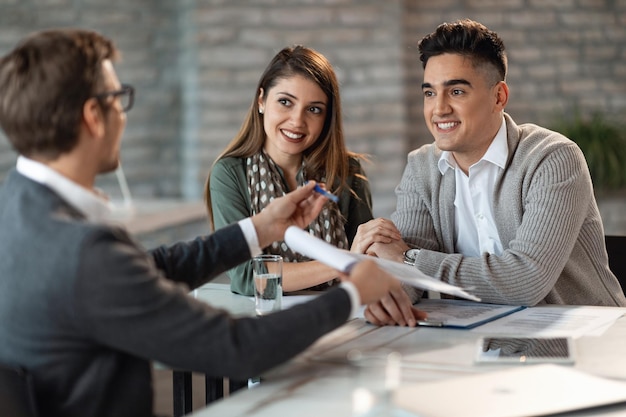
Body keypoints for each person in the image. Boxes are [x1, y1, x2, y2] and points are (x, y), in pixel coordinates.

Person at [0, 29, 423, 417]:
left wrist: (260, 229)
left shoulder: (18, 204)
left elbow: (148, 267)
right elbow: (235, 349)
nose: (122, 115)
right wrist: (350, 292)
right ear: (94, 115)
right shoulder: (85, 252)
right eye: (119, 98)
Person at [353, 19, 626, 326]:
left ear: (499, 97)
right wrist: (383, 286)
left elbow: (526, 280)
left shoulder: (552, 158)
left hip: (586, 336)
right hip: (477, 334)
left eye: (456, 91)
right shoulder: (422, 167)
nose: (439, 109)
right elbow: (409, 277)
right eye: (429, 93)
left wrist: (407, 258)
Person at [206, 45, 374, 296]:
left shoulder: (346, 170)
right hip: (266, 320)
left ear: (327, 118)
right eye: (285, 102)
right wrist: (344, 261)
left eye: (314, 109)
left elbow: (367, 265)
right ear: (261, 100)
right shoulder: (230, 173)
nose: (297, 121)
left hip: (340, 315)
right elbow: (248, 278)